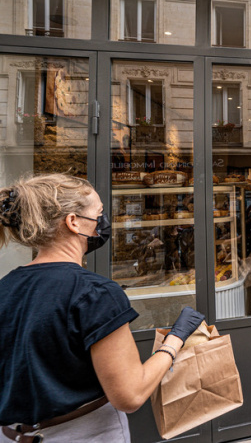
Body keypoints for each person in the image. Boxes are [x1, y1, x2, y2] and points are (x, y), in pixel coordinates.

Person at [0, 174, 205, 443]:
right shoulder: (95, 293)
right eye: (98, 214)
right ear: (73, 222)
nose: (103, 223)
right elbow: (130, 395)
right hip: (84, 433)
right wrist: (176, 339)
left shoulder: (6, 286)